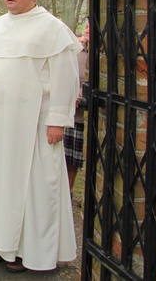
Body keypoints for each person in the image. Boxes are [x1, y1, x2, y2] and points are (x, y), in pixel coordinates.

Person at [0, 0, 81, 273]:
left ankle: (24, 251)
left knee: (32, 186)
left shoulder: (52, 28)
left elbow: (65, 78)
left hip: (33, 123)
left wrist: (58, 119)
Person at [65, 19, 90, 200]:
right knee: (67, 157)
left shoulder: (98, 57)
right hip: (71, 115)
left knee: (77, 160)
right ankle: (65, 191)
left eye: (90, 27)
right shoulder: (77, 53)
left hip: (86, 116)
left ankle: (74, 191)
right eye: (86, 26)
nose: (87, 30)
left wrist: (80, 97)